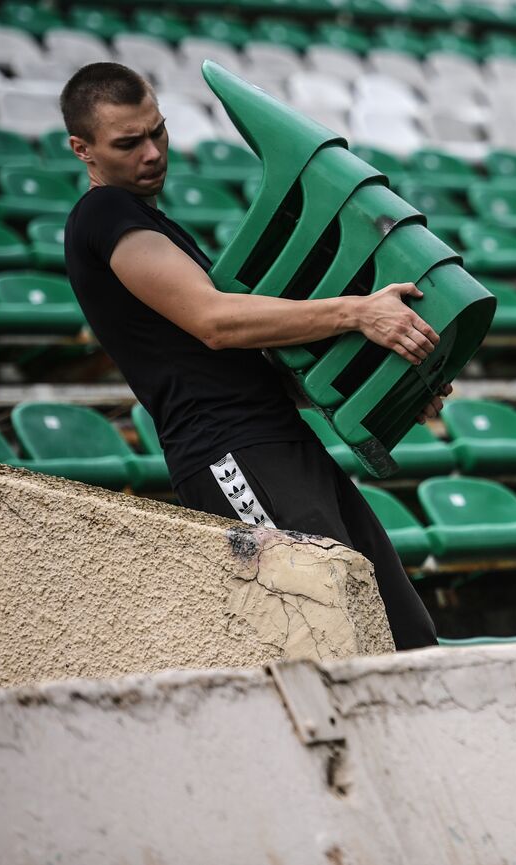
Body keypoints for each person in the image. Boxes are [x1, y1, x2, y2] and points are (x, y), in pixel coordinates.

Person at [58, 62, 440, 650]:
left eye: (158, 131)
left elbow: (235, 360)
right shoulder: (104, 215)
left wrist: (382, 384)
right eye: (128, 142)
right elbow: (214, 322)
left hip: (276, 437)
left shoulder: (151, 220)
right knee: (328, 639)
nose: (153, 152)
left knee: (402, 633)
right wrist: (358, 311)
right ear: (82, 149)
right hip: (229, 451)